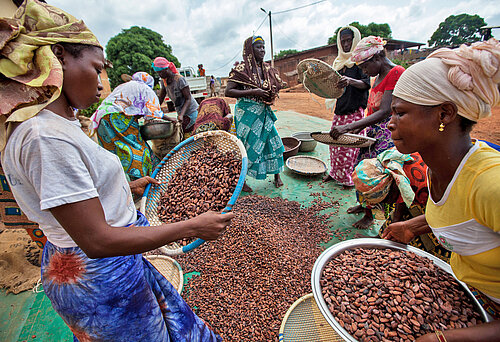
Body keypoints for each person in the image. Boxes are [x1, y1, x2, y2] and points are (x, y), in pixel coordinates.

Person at [0, 1, 232, 340]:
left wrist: (124, 187)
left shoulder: (61, 125)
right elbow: (96, 239)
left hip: (112, 267)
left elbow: (79, 191)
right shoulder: (44, 137)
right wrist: (192, 226)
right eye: (97, 68)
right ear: (58, 56)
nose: (100, 84)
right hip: (100, 279)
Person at [382, 39, 500, 340]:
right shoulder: (437, 166)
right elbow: (465, 215)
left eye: (400, 113)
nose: (390, 124)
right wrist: (413, 225)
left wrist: (445, 338)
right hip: (465, 292)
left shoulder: (492, 184)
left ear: (444, 114)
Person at [331, 36, 405, 228]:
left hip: (387, 133)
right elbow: (372, 110)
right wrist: (356, 129)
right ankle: (364, 206)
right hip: (374, 132)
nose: (364, 72)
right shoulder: (379, 76)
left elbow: (385, 111)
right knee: (360, 168)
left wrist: (348, 127)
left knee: (376, 177)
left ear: (377, 58)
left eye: (364, 67)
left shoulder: (396, 73)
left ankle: (373, 216)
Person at [352, 148, 451, 262]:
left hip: (445, 208)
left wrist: (410, 227)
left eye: (385, 200)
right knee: (396, 218)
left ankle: (425, 258)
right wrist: (397, 221)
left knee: (429, 236)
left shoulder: (423, 186)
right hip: (415, 190)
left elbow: (445, 217)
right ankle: (383, 241)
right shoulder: (390, 169)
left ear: (393, 189)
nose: (386, 204)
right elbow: (401, 196)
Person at [225, 35, 285, 192]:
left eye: (264, 46)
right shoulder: (241, 70)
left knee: (272, 142)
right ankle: (242, 180)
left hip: (263, 112)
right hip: (247, 113)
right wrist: (255, 91)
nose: (263, 50)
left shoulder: (267, 69)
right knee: (246, 146)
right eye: (259, 47)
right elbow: (228, 91)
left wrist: (272, 92)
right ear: (250, 50)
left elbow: (277, 85)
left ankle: (277, 175)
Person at [90, 71, 162, 180]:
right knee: (137, 149)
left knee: (116, 153)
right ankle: (142, 180)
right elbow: (154, 112)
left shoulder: (124, 86)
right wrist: (169, 119)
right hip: (116, 118)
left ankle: (126, 183)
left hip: (101, 117)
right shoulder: (144, 88)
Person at [322, 26, 370, 188]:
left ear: (355, 40)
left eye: (349, 40)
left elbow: (366, 84)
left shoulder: (360, 61)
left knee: (349, 146)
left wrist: (350, 81)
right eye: (343, 41)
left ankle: (348, 179)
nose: (346, 44)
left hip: (354, 110)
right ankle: (334, 173)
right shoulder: (339, 63)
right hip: (340, 109)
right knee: (334, 142)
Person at [153, 57, 199, 137]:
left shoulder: (179, 79)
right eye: (158, 73)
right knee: (184, 136)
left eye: (160, 72)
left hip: (191, 111)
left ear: (166, 69)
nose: (159, 75)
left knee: (192, 135)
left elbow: (188, 99)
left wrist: (181, 114)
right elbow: (161, 97)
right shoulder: (163, 82)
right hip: (180, 112)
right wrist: (154, 108)